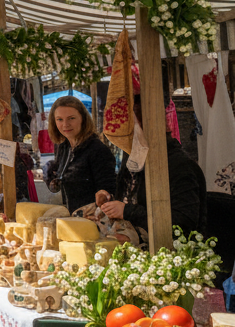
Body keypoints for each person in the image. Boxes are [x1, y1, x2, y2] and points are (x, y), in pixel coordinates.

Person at [97, 98, 207, 241]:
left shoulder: (180, 166)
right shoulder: (133, 156)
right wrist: (110, 201)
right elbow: (132, 198)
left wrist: (127, 211)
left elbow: (182, 224)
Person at [46, 95, 116, 213]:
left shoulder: (97, 149)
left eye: (71, 118)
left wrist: (103, 196)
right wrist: (53, 179)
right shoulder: (63, 147)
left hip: (92, 220)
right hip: (71, 217)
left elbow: (108, 191)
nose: (65, 124)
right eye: (59, 119)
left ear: (83, 118)